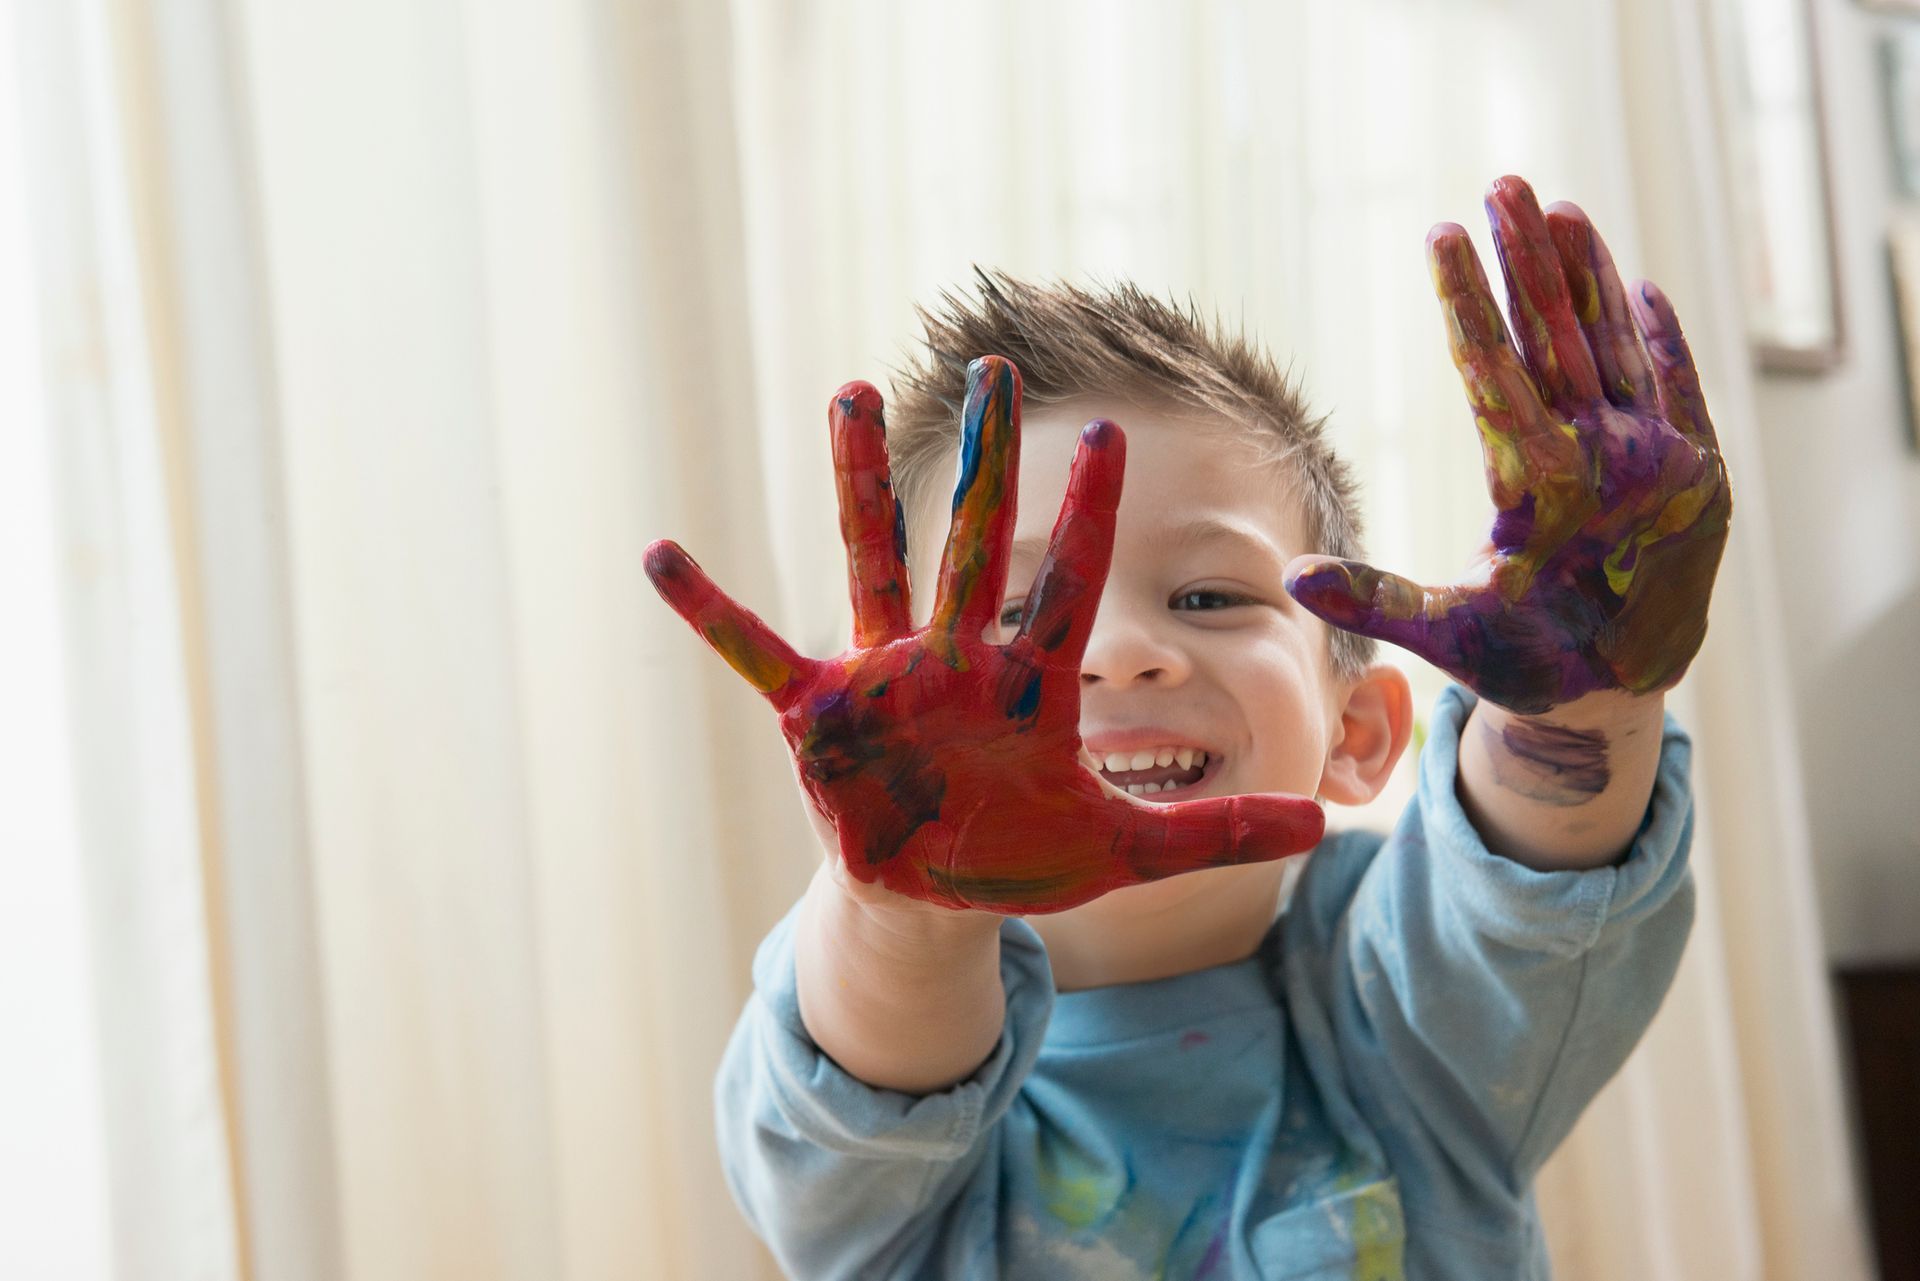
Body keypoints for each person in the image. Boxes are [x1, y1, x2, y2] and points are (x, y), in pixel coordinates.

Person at [645, 175, 1731, 1279]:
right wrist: (902, 910)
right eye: (1019, 619)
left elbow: (1521, 902)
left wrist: (1581, 701)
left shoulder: (1394, 1018)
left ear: (1357, 732)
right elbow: (866, 1093)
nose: (1114, 651)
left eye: (1209, 597)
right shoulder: (890, 1050)